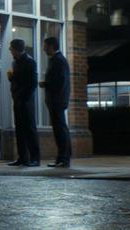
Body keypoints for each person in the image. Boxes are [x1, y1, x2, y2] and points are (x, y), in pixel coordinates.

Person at [6, 39, 40, 166]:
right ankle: (22, 157)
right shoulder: (15, 62)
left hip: (25, 100)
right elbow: (18, 80)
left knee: (30, 129)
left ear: (16, 49)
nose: (9, 50)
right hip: (18, 99)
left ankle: (35, 158)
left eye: (11, 48)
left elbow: (32, 82)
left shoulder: (30, 62)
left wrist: (23, 98)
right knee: (19, 129)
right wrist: (12, 78)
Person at [41, 37, 71, 168]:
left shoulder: (58, 60)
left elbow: (60, 82)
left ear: (52, 46)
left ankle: (63, 159)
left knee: (60, 130)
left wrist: (46, 84)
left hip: (57, 100)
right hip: (56, 100)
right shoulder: (57, 60)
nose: (43, 49)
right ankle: (62, 158)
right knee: (60, 129)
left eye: (45, 46)